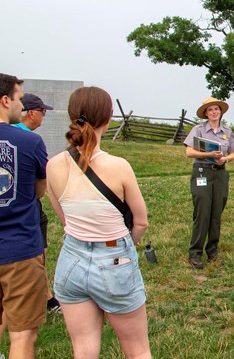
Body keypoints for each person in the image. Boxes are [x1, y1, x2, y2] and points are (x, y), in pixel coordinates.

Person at [46, 86, 151, 358]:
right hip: (114, 257)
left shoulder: (54, 165)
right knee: (137, 351)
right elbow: (140, 222)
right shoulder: (119, 166)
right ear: (108, 118)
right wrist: (129, 246)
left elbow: (63, 216)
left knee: (83, 348)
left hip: (71, 260)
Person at [0, 73, 49, 359]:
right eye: (19, 98)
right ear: (6, 100)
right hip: (20, 249)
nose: (21, 105)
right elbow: (39, 191)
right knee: (22, 336)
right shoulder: (30, 142)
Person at [14, 93, 62, 314]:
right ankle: (44, 301)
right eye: (43, 112)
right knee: (37, 253)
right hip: (28, 206)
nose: (43, 117)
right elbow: (41, 183)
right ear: (31, 113)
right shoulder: (30, 140)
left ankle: (47, 299)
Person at [184, 97, 234, 269]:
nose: (214, 112)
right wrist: (208, 155)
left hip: (220, 174)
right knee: (202, 212)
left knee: (216, 213)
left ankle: (213, 252)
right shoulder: (198, 130)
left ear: (220, 112)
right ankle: (195, 253)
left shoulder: (227, 131)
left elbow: (232, 153)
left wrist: (225, 159)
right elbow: (189, 152)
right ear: (206, 114)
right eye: (210, 110)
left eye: (216, 109)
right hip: (202, 171)